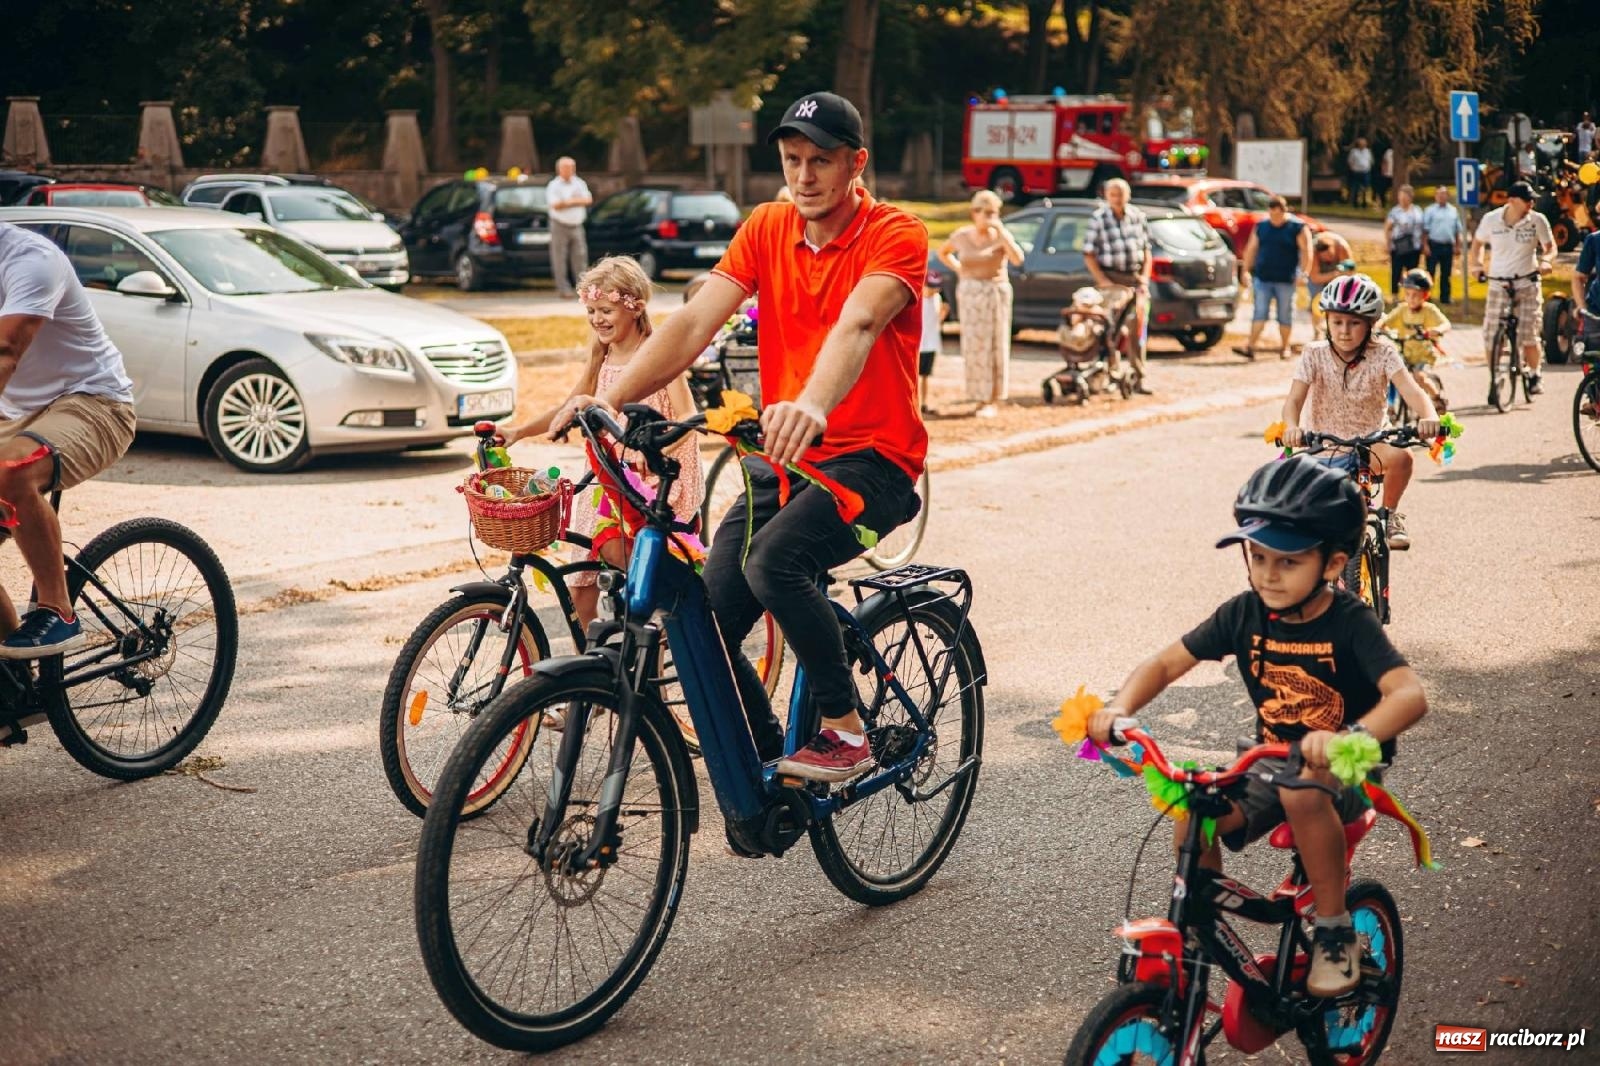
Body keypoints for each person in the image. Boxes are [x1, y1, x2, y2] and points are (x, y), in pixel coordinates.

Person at [545, 90, 925, 785]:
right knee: (705, 612)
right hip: (780, 464)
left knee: (775, 565)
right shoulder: (766, 227)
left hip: (874, 466)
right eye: (791, 160)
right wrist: (602, 398)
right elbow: (693, 326)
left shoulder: (896, 233)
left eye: (821, 161)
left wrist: (811, 402)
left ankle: (846, 731)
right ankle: (766, 757)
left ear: (856, 164)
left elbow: (860, 324)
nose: (804, 176)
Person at [1088, 456, 1429, 998]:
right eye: (1259, 556)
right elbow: (1165, 664)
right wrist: (1119, 708)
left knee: (1302, 792)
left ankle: (1336, 933)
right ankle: (1197, 925)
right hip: (1273, 759)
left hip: (1347, 764)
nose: (1269, 573)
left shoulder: (1350, 622)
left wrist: (1350, 740)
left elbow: (1409, 695)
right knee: (1192, 804)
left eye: (1288, 562)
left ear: (1334, 564)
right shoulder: (1244, 613)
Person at [500, 256, 702, 629]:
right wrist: (518, 432)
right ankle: (595, 677)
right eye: (591, 310)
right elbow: (569, 406)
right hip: (607, 475)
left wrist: (653, 452)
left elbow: (687, 419)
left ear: (636, 306)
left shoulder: (658, 352)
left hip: (654, 482)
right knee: (580, 589)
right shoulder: (602, 353)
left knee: (636, 571)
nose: (597, 319)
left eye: (606, 310)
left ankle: (668, 625)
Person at [0, 222, 137, 657]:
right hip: (14, 412)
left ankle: (57, 610)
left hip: (95, 402)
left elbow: (6, 350)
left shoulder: (30, 261)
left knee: (12, 469)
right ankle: (14, 689)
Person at [1282, 273, 1439, 550]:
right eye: (1337, 322)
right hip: (1323, 446)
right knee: (1295, 504)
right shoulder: (1313, 354)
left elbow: (1412, 391)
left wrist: (1429, 417)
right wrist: (1292, 427)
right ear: (1326, 321)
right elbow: (1294, 400)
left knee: (1403, 457)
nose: (1344, 330)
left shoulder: (1384, 353)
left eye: (1354, 323)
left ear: (1370, 325)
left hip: (1371, 444)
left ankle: (1390, 515)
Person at [937, 189, 1025, 416]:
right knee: (975, 345)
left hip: (995, 291)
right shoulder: (962, 235)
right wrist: (959, 269)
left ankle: (992, 398)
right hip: (970, 293)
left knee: (995, 343)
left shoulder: (1000, 236)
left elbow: (1017, 259)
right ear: (974, 213)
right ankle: (978, 395)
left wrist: (1002, 233)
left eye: (993, 212)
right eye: (983, 212)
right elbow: (943, 252)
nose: (988, 216)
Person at [1469, 180, 1555, 397]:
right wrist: (1477, 265)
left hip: (1527, 282)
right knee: (1490, 335)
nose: (1531, 203)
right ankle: (1495, 376)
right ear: (1512, 200)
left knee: (1528, 334)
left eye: (1533, 199)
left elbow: (1550, 247)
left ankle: (1535, 374)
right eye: (1527, 199)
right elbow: (1477, 244)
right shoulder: (1491, 220)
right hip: (1498, 282)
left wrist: (1546, 261)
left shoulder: (1537, 221)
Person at [1081, 178, 1155, 393]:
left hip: (1135, 278)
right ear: (1106, 196)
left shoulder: (1137, 217)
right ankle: (1113, 374)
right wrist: (1103, 281)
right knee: (1112, 329)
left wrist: (1144, 278)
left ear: (1128, 195)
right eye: (1113, 194)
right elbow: (1088, 253)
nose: (1117, 199)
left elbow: (1147, 250)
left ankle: (1138, 376)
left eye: (1121, 194)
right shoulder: (1099, 219)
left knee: (1138, 329)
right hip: (1111, 278)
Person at [1240, 196, 1312, 359]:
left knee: (1285, 314)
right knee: (1260, 311)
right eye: (1272, 214)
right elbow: (1251, 249)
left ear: (1284, 212)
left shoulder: (1297, 227)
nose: (1275, 218)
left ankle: (1284, 347)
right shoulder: (1262, 226)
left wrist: (1304, 273)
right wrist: (1245, 270)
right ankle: (1251, 346)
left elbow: (1307, 251)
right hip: (1263, 277)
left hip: (1286, 279)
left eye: (1278, 215)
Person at [1380, 268, 1451, 412]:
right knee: (1391, 373)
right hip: (1405, 353)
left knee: (1419, 377)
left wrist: (1437, 330)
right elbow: (1385, 322)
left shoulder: (1429, 310)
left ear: (1425, 295)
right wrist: (1380, 329)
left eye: (1415, 295)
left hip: (1423, 355)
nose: (1410, 299)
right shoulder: (1402, 310)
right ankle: (1392, 405)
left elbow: (1446, 324)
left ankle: (1437, 397)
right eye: (1407, 294)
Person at [546, 157, 593, 299]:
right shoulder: (553, 186)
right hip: (559, 224)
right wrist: (575, 201)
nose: (569, 170)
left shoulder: (579, 183)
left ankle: (582, 288)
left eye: (571, 167)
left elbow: (588, 200)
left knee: (580, 257)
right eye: (566, 168)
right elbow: (555, 205)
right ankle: (563, 289)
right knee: (559, 258)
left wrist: (568, 202)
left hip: (577, 224)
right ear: (559, 169)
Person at [1421, 186, 1466, 304]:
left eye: (1444, 194)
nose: (1441, 197)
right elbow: (1425, 230)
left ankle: (1445, 297)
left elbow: (1457, 230)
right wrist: (1425, 245)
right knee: (1430, 272)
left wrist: (1457, 246)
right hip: (1433, 245)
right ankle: (1427, 297)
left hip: (1447, 246)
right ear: (1435, 196)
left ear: (1448, 196)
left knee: (1446, 273)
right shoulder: (1430, 210)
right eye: (1439, 194)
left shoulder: (1453, 211)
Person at [1306, 230, 1355, 332]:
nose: (1328, 258)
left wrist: (1339, 279)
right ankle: (1317, 331)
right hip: (1319, 273)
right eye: (1325, 256)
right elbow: (1315, 278)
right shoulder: (1312, 252)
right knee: (1316, 300)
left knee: (1341, 300)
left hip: (1339, 271)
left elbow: (1350, 273)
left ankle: (1334, 328)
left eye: (1330, 255)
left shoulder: (1341, 247)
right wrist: (1334, 274)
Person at [1384, 185, 1425, 298]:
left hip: (1414, 246)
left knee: (1412, 272)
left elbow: (1422, 228)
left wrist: (1423, 243)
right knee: (1396, 271)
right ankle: (1394, 295)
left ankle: (1412, 294)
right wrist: (1388, 244)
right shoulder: (1395, 211)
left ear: (1410, 197)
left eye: (1405, 196)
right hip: (1398, 246)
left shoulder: (1417, 210)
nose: (1402, 199)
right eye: (1400, 196)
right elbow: (1388, 228)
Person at [918, 269, 947, 415]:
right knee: (914, 376)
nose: (934, 290)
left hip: (930, 343)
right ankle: (913, 403)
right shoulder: (917, 300)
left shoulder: (937, 299)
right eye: (931, 286)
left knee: (925, 376)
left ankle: (923, 403)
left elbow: (938, 317)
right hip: (918, 344)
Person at [1346, 138, 1374, 207]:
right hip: (1356, 172)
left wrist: (1368, 167)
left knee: (1365, 188)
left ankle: (1364, 202)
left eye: (1364, 144)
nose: (1363, 145)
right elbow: (1350, 161)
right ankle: (1355, 203)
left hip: (1365, 172)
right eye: (1361, 144)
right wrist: (1353, 169)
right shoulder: (1354, 151)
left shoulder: (1367, 151)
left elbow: (1371, 161)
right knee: (1356, 187)